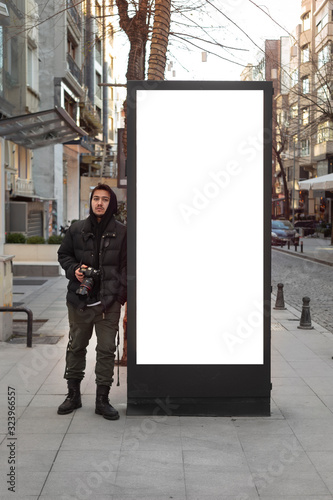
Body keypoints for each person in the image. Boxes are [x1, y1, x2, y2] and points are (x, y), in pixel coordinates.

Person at [57, 183, 127, 420]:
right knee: (76, 347)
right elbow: (63, 255)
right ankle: (73, 396)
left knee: (106, 350)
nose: (99, 203)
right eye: (96, 198)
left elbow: (127, 268)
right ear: (91, 202)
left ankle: (102, 400)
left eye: (105, 199)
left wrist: (120, 297)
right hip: (80, 301)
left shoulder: (122, 232)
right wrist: (74, 270)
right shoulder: (77, 229)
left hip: (108, 304)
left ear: (111, 203)